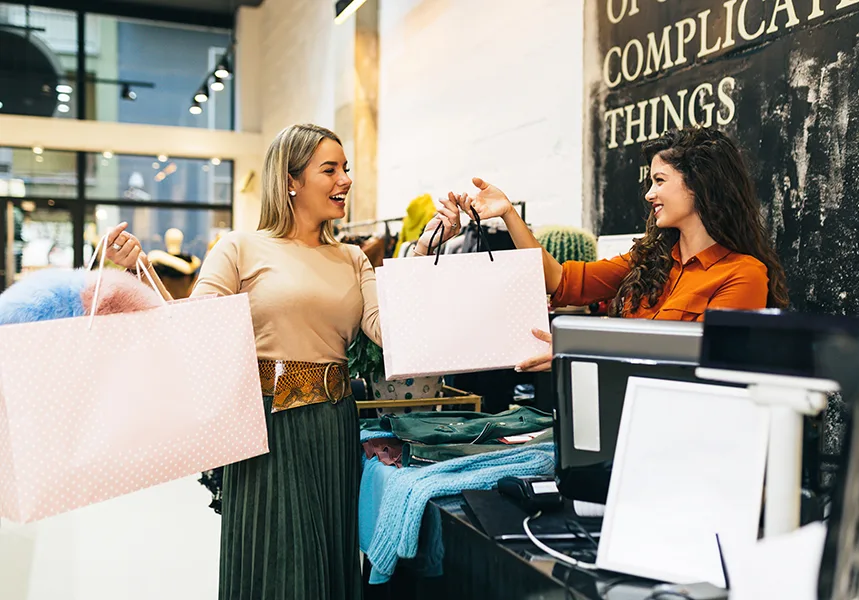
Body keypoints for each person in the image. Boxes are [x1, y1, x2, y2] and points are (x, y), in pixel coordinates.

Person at [103, 123, 462, 600]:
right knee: (282, 567)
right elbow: (190, 330)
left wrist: (424, 248)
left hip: (334, 427)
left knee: (327, 565)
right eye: (329, 169)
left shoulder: (353, 259)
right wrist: (133, 274)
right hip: (268, 430)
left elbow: (391, 328)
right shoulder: (240, 248)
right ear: (291, 180)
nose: (345, 180)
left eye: (346, 169)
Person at [451, 126, 789, 372]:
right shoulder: (649, 260)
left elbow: (703, 367)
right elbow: (560, 281)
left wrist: (581, 352)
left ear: (700, 183)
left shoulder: (743, 275)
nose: (649, 195)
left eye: (660, 181)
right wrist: (509, 213)